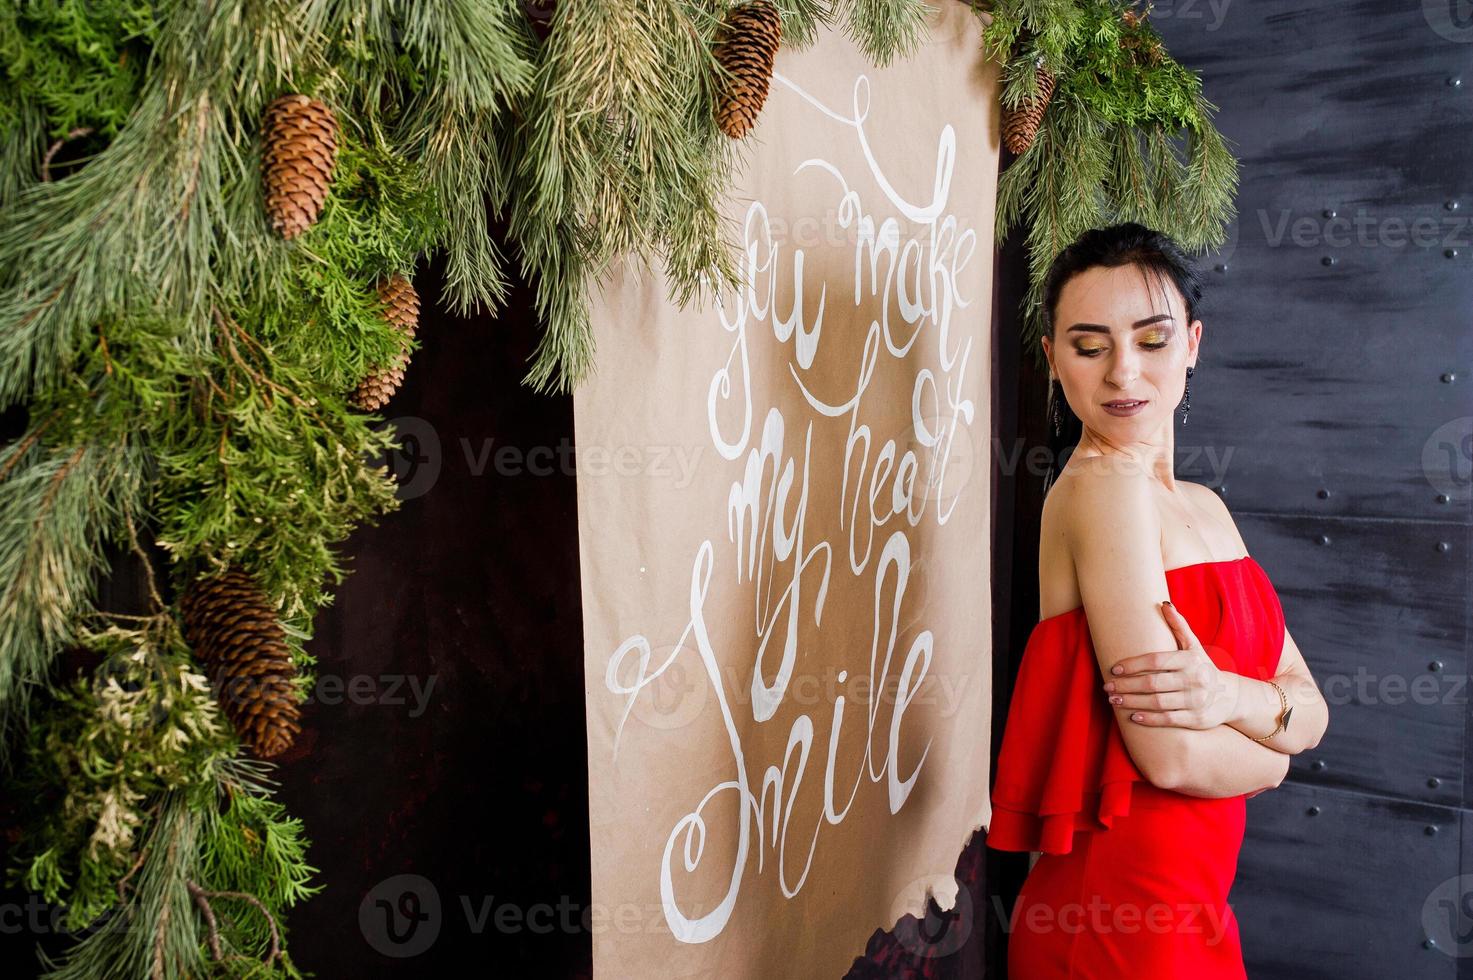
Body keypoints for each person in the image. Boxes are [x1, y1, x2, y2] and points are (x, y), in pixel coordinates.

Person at [986, 222, 1330, 977]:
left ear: (1192, 343)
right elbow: (1172, 756)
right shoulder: (1101, 490)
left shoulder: (1206, 507)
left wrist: (1225, 698)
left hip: (1191, 907)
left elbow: (1314, 707)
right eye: (1088, 346)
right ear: (1052, 359)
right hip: (1115, 914)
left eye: (1150, 339)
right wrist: (1273, 747)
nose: (1122, 374)